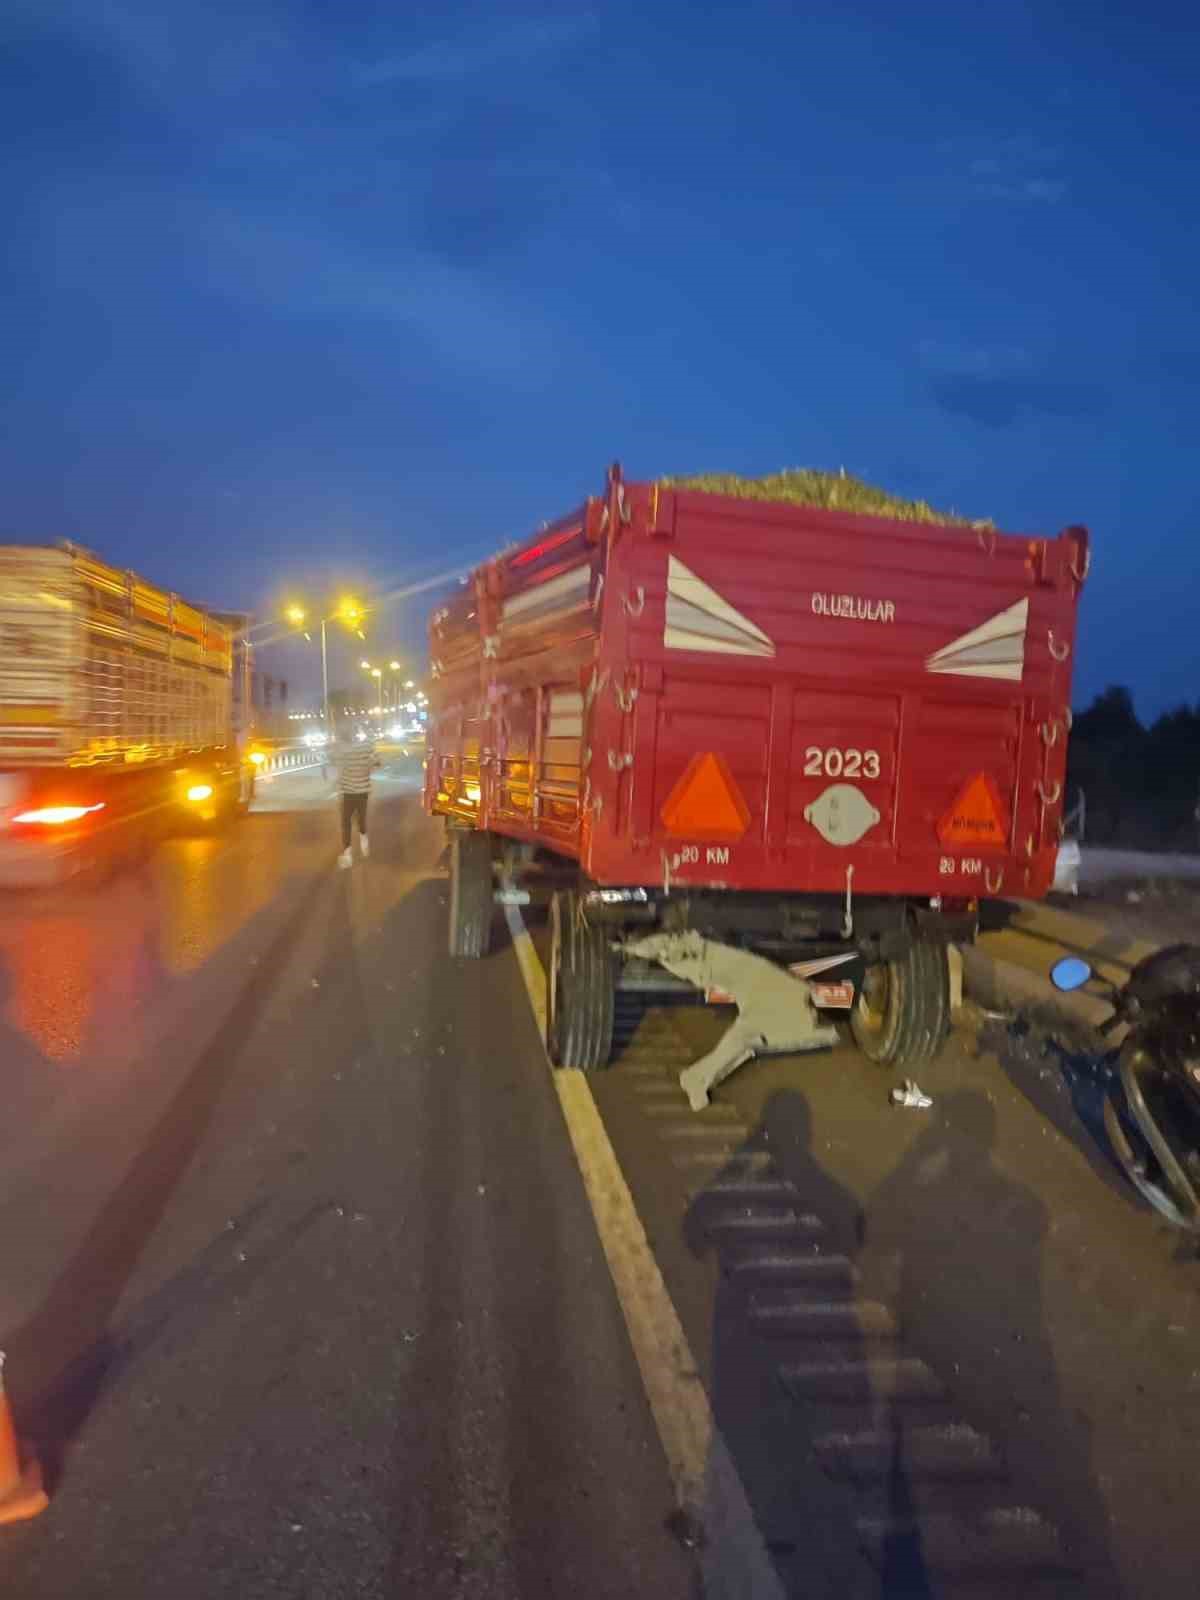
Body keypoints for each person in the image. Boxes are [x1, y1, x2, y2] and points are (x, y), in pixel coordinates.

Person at [325, 727, 379, 869]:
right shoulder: (365, 747)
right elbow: (376, 759)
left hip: (348, 793)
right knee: (361, 818)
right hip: (362, 792)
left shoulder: (340, 751)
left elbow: (329, 758)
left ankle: (348, 853)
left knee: (346, 823)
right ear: (355, 736)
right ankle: (363, 840)